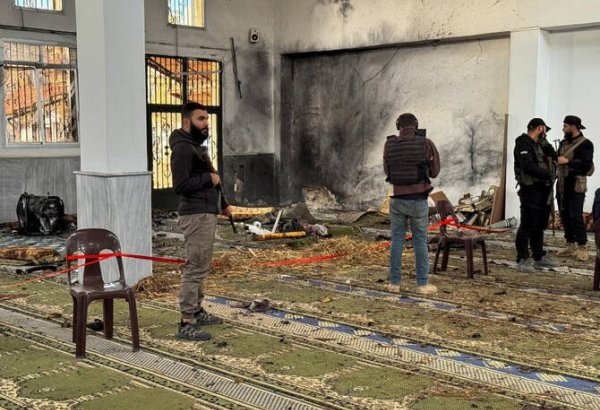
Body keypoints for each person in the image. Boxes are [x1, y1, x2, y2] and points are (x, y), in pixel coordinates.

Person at [169, 102, 231, 340]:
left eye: (207, 118)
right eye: (201, 119)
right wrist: (208, 178)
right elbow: (181, 185)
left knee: (201, 265)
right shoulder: (183, 149)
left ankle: (196, 310)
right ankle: (186, 321)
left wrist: (222, 205)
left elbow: (211, 180)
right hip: (195, 215)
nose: (206, 123)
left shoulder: (194, 146)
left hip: (205, 212)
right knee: (195, 267)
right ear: (187, 121)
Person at [383, 113, 440, 295]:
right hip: (418, 199)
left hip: (397, 199)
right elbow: (435, 172)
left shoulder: (389, 144)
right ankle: (422, 284)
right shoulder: (426, 143)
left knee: (397, 240)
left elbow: (387, 171)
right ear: (416, 126)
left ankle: (394, 283)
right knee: (420, 241)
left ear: (398, 127)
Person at [514, 118, 558, 272]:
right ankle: (523, 258)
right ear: (540, 128)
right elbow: (528, 166)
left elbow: (554, 155)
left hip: (543, 189)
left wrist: (544, 140)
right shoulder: (523, 144)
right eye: (544, 129)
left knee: (540, 225)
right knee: (527, 224)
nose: (545, 133)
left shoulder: (540, 144)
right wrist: (547, 174)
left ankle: (538, 256)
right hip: (530, 190)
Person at [556, 115, 594, 261]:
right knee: (564, 214)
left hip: (576, 184)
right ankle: (570, 244)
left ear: (573, 127)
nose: (563, 128)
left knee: (576, 216)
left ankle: (582, 247)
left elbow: (586, 165)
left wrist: (567, 161)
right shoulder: (563, 143)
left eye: (565, 126)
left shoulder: (586, 144)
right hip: (562, 183)